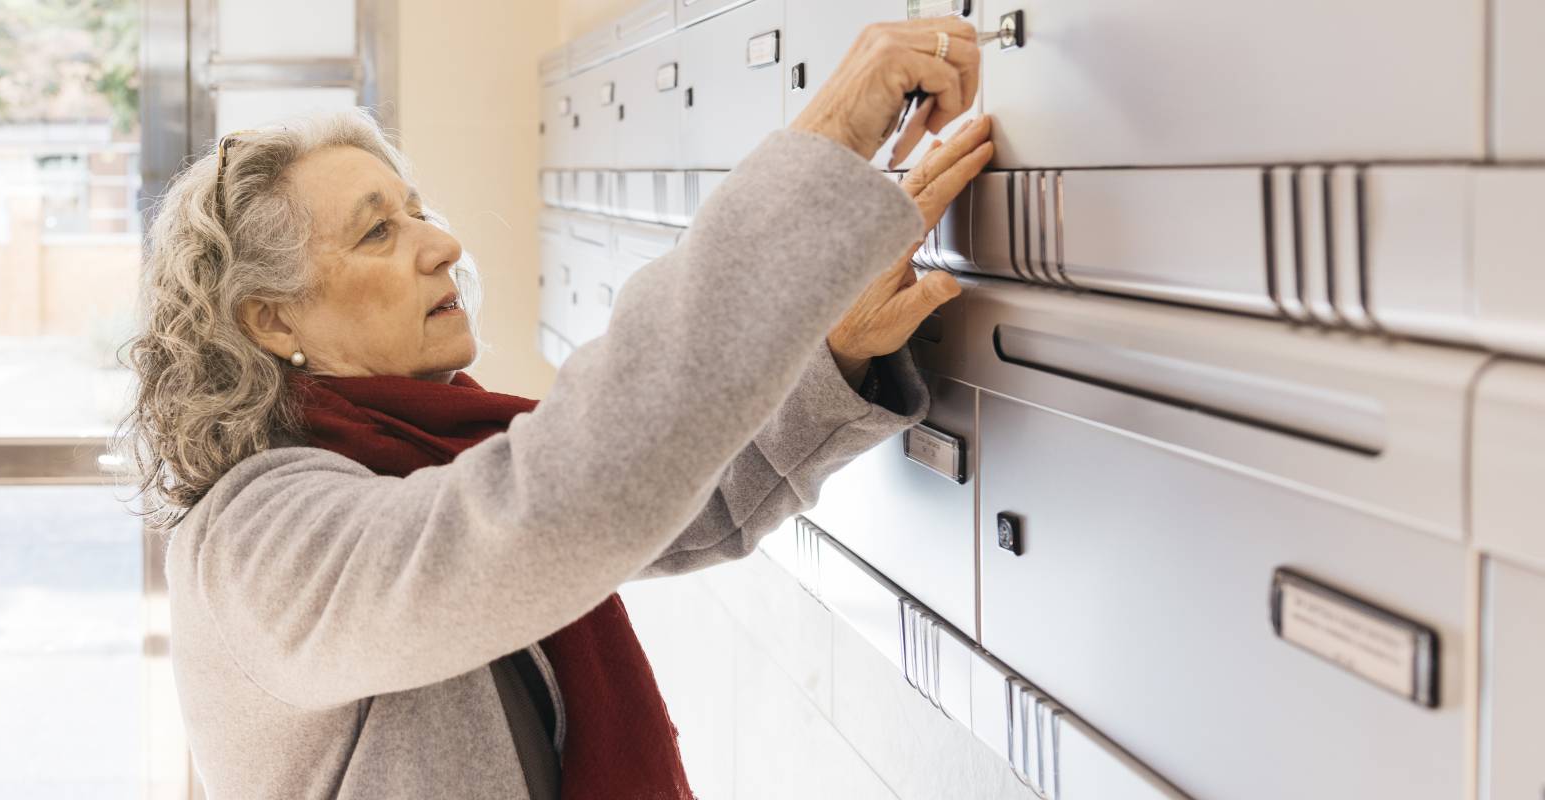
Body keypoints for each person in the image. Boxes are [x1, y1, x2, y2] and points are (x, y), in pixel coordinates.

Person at [119, 17, 993, 800]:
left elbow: (685, 506)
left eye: (418, 211)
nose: (444, 245)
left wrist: (832, 350)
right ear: (272, 320)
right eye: (378, 231)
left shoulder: (428, 453)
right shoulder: (251, 547)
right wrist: (827, 146)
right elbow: (559, 508)